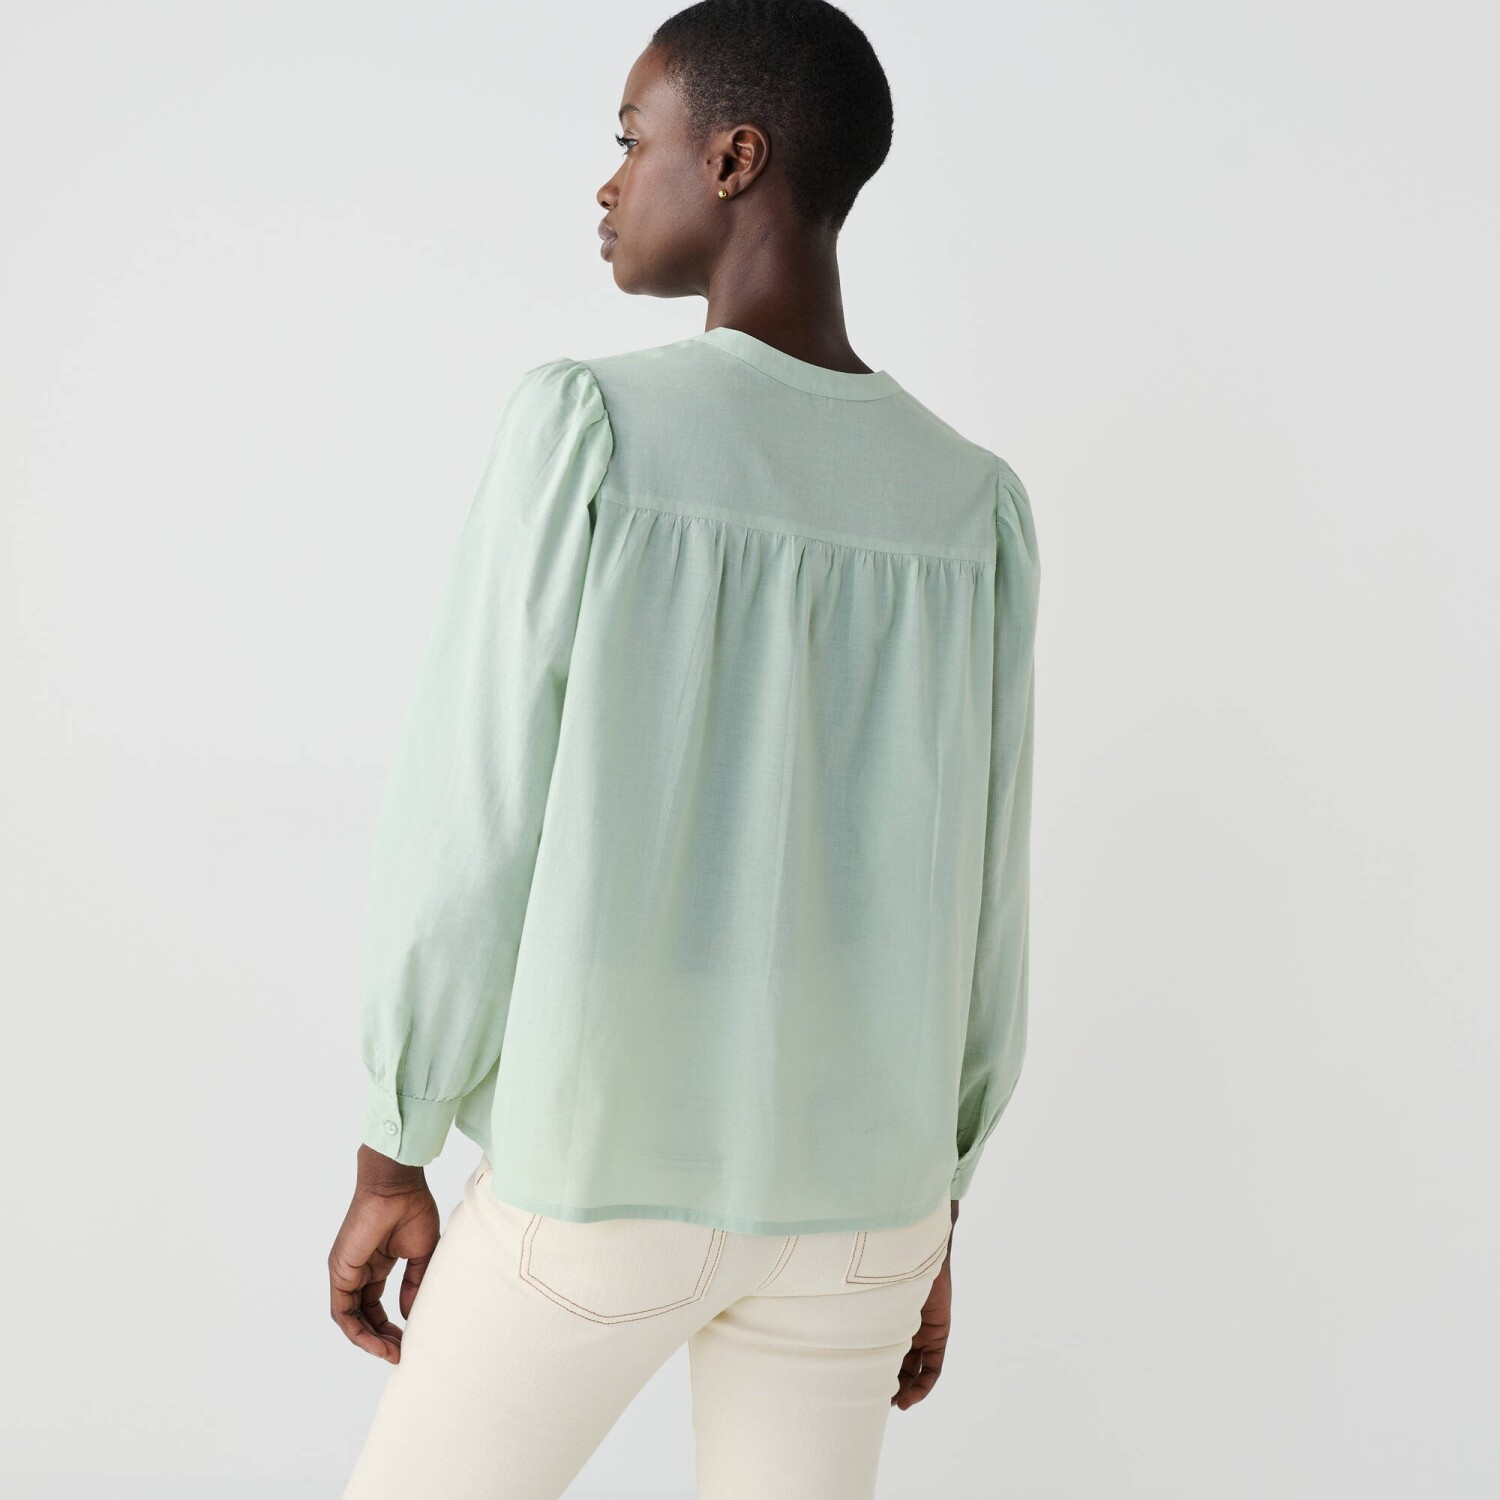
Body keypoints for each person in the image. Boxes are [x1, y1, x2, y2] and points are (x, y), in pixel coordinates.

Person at [329, 2, 1040, 1495]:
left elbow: (476, 813)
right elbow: (987, 888)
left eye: (629, 139)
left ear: (732, 159)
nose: (608, 182)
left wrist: (397, 1141)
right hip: (865, 1209)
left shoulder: (591, 427)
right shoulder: (971, 505)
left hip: (605, 1177)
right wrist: (938, 1195)